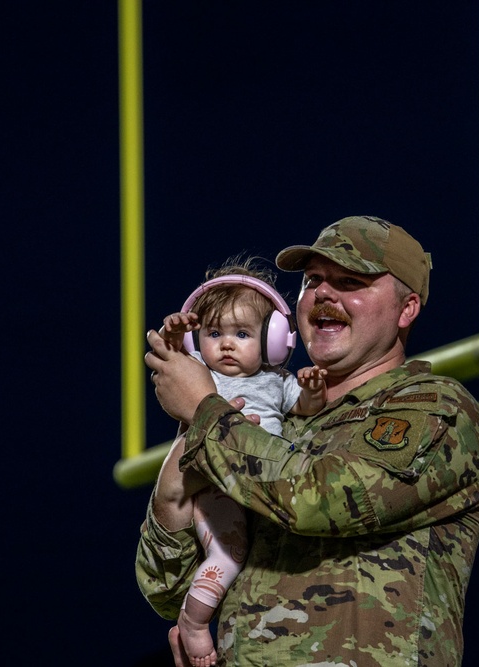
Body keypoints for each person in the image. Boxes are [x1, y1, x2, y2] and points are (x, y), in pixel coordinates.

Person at [138, 215, 479, 666]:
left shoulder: (435, 409)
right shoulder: (270, 427)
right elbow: (165, 588)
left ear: (406, 309)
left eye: (350, 280)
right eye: (312, 281)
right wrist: (171, 498)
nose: (324, 293)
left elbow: (318, 498)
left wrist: (204, 410)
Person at [152, 257, 327, 667]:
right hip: (215, 487)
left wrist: (314, 392)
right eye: (213, 333)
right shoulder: (202, 375)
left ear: (274, 341)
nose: (226, 344)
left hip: (265, 489)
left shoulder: (278, 380)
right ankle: (195, 624)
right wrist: (174, 336)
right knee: (228, 556)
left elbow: (303, 409)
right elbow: (169, 360)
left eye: (243, 333)